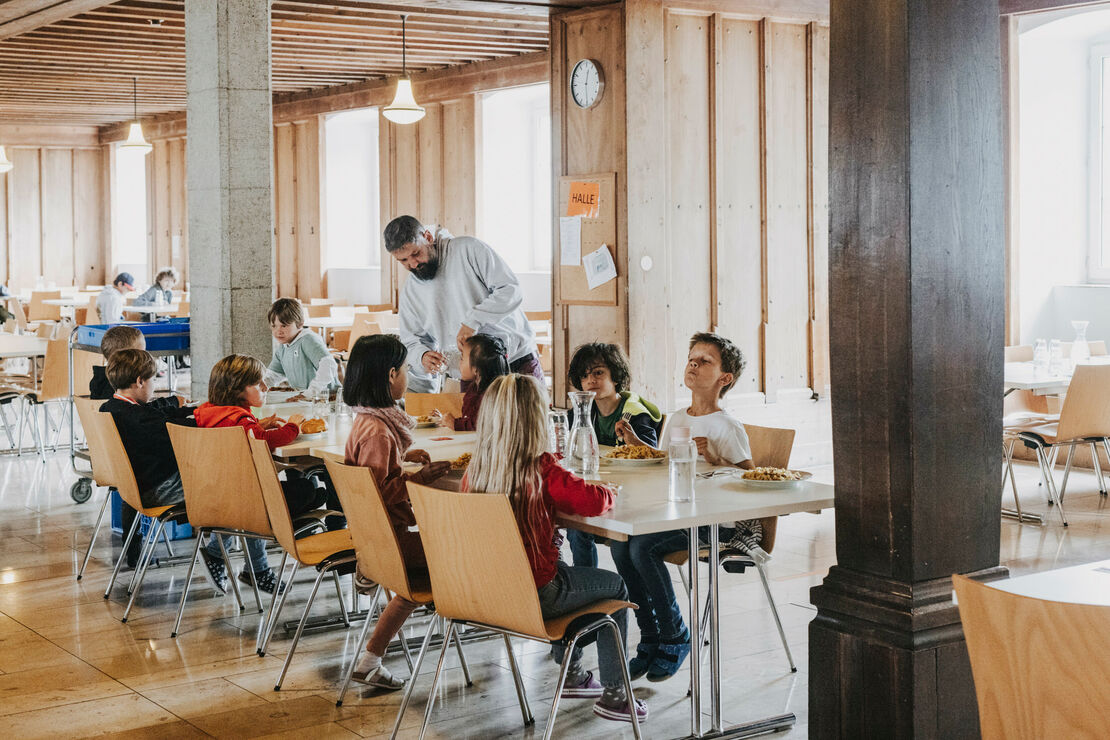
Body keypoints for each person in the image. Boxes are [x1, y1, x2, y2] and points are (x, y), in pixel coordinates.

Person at [463, 374, 647, 724]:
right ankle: (616, 695)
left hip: (488, 592)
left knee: (566, 575)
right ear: (537, 419)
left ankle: (575, 675)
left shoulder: (478, 469)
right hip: (537, 594)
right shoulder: (542, 469)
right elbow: (590, 501)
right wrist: (610, 491)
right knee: (615, 587)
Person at [610, 332, 755, 683]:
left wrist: (717, 458)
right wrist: (636, 443)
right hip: (677, 512)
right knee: (619, 542)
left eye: (705, 361)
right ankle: (650, 635)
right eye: (692, 358)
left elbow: (752, 479)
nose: (694, 364)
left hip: (716, 521)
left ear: (725, 379)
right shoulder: (676, 418)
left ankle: (675, 634)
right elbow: (665, 462)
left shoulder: (727, 425)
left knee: (644, 547)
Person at [345, 334, 452, 690]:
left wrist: (404, 461)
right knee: (453, 555)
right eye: (405, 368)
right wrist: (419, 478)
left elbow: (376, 477)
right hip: (393, 540)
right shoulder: (379, 431)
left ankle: (372, 657)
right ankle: (372, 657)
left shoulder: (365, 420)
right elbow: (380, 494)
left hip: (376, 539)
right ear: (391, 375)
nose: (407, 374)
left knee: (417, 578)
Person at [193, 354, 334, 594]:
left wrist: (258, 425)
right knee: (306, 491)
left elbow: (248, 434)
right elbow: (266, 440)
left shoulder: (211, 412)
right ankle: (247, 566)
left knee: (283, 494)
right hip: (245, 499)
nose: (265, 387)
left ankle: (250, 567)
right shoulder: (241, 421)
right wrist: (293, 426)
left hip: (217, 492)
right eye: (258, 384)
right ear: (238, 390)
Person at [383, 215, 541, 393]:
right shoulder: (410, 292)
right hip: (466, 376)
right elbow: (411, 340)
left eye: (416, 253)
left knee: (529, 420)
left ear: (427, 237)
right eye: (403, 261)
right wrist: (422, 356)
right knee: (468, 422)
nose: (412, 264)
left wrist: (473, 321)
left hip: (514, 361)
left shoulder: (469, 249)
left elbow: (510, 289)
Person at [564, 342, 662, 567]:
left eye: (598, 373)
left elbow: (654, 459)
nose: (591, 380)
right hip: (598, 489)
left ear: (616, 376)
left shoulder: (635, 412)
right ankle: (588, 583)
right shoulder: (581, 412)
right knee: (575, 526)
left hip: (634, 496)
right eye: (584, 375)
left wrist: (633, 440)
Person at [99, 349, 195, 511]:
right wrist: (207, 418)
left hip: (132, 488)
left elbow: (156, 414)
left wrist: (191, 411)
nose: (154, 385)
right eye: (153, 380)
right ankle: (219, 535)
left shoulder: (108, 408)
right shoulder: (140, 418)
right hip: (158, 490)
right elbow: (178, 430)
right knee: (225, 484)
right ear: (140, 381)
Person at [89, 325, 146, 567]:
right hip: (129, 466)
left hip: (108, 460)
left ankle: (132, 545)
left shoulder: (98, 384)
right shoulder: (117, 392)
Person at [263, 298, 339, 398]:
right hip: (304, 399)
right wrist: (259, 388)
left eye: (284, 326)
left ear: (300, 323)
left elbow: (328, 364)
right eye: (274, 326)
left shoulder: (308, 339)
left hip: (327, 399)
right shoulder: (283, 347)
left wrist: (310, 392)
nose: (278, 331)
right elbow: (272, 376)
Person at [436, 333, 510, 432]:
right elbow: (469, 417)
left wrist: (455, 424)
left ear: (476, 369)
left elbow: (480, 424)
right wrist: (445, 420)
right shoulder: (474, 387)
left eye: (462, 358)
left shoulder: (490, 395)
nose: (459, 362)